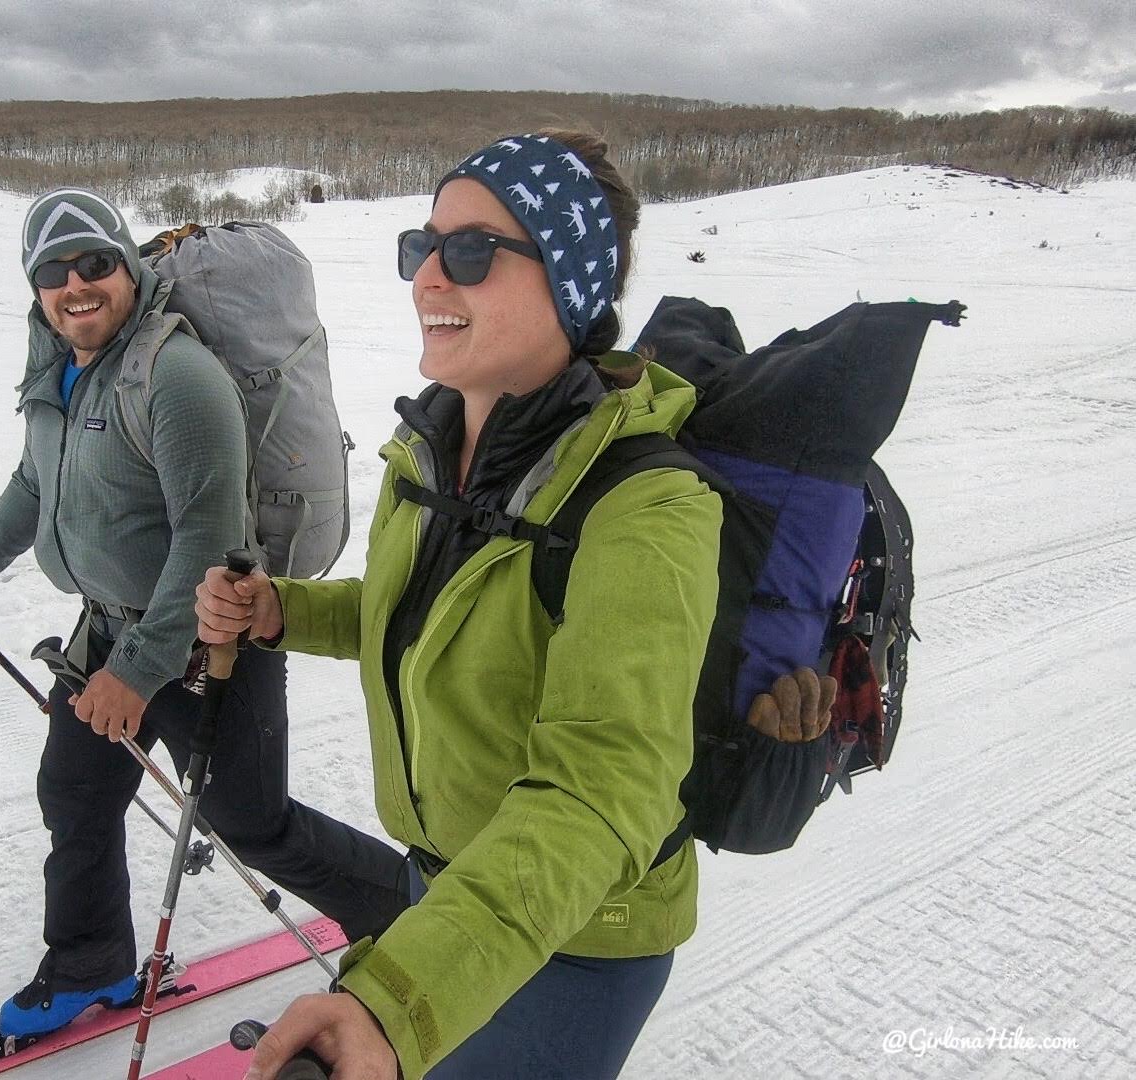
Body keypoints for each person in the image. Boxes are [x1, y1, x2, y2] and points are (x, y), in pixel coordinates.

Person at [195, 133, 834, 1079]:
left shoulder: (647, 504)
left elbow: (600, 788)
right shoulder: (432, 450)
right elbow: (421, 607)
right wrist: (283, 610)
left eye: (471, 252)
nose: (428, 279)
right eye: (423, 246)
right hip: (444, 880)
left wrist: (396, 1003)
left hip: (579, 930)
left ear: (572, 285)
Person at [0, 188, 407, 1043]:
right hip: (105, 631)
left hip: (210, 642)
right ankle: (90, 960)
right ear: (36, 289)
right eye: (54, 272)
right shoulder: (58, 370)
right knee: (74, 790)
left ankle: (413, 916)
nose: (77, 285)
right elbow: (37, 487)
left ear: (128, 266)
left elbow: (214, 539)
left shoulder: (177, 375)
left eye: (95, 262)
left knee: (253, 823)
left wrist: (136, 673)